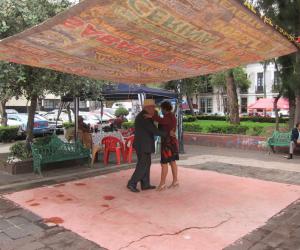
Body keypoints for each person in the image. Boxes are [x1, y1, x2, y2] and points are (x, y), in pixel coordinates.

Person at [127, 99, 167, 193]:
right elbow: (153, 130)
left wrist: (155, 116)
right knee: (143, 165)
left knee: (146, 164)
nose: (154, 109)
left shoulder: (145, 115)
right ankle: (132, 183)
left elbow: (153, 126)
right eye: (153, 107)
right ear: (148, 108)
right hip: (143, 145)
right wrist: (166, 134)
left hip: (143, 144)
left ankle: (145, 184)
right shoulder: (144, 117)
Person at [151, 101, 179, 191]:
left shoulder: (168, 117)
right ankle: (175, 181)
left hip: (168, 144)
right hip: (172, 142)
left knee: (164, 163)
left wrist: (152, 115)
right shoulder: (172, 116)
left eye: (161, 109)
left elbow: (161, 120)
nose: (161, 110)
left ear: (164, 109)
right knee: (172, 162)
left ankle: (162, 184)